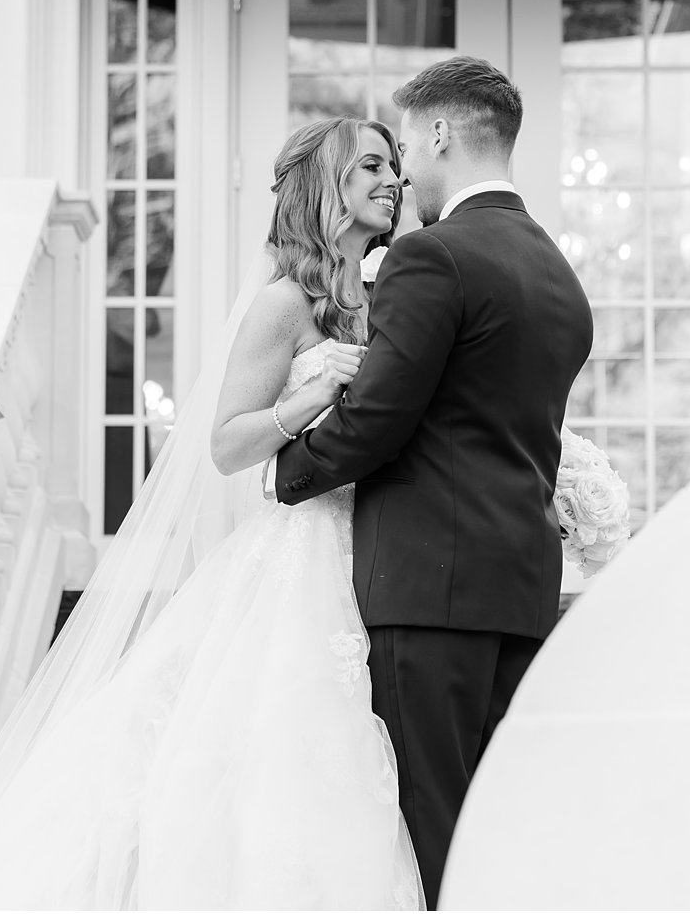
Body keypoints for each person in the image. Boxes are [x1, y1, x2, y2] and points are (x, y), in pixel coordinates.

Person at [0, 117, 425, 910]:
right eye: (373, 166)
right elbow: (226, 443)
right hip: (298, 553)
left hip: (367, 541)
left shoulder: (380, 298)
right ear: (329, 187)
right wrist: (312, 394)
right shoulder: (282, 304)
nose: (393, 182)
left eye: (396, 168)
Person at [274, 56, 594, 909]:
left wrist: (287, 471)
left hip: (430, 592)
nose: (404, 167)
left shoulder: (434, 258)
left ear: (442, 132)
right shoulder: (560, 276)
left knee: (432, 838)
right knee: (500, 829)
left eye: (407, 141)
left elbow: (378, 417)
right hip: (521, 593)